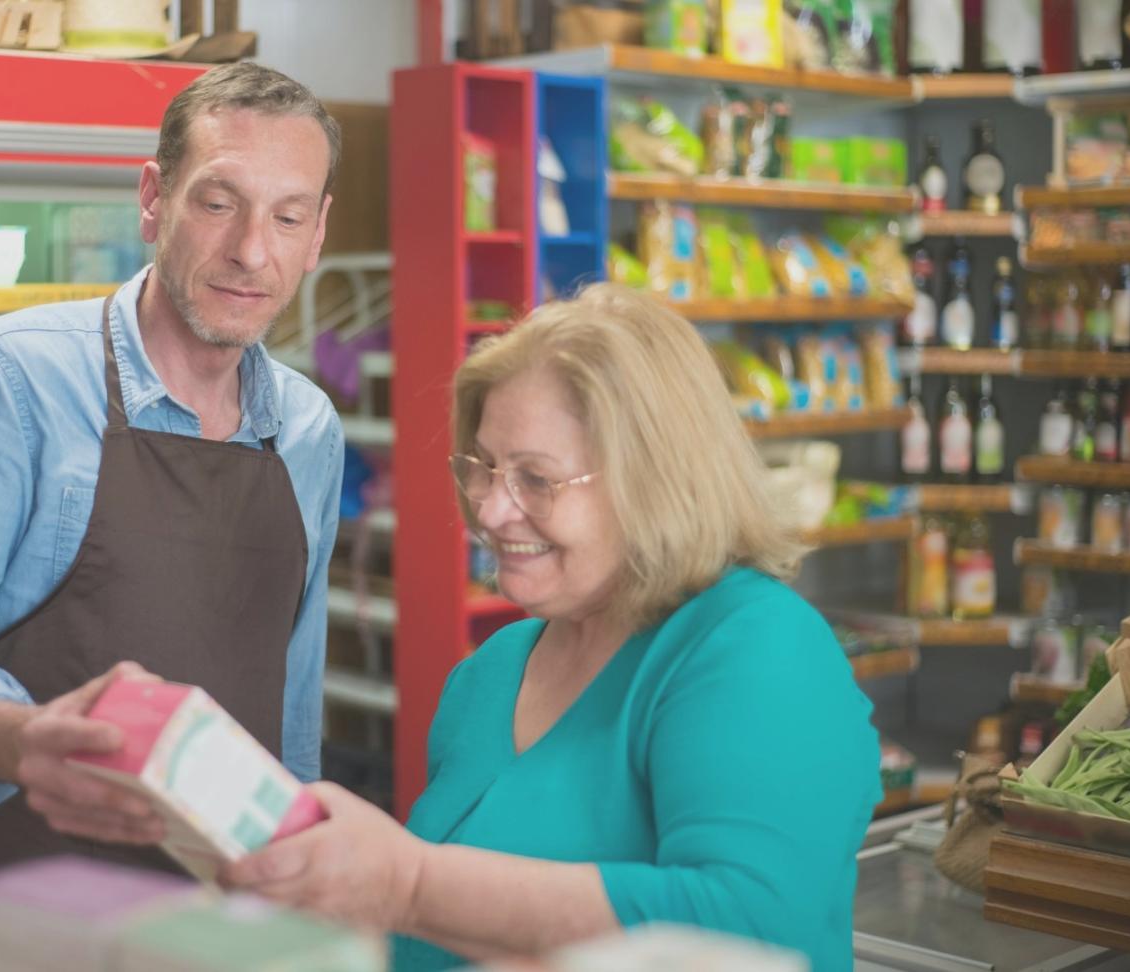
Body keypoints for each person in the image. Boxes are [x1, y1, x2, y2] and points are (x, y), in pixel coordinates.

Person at [223, 284, 882, 971]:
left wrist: (405, 884)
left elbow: (748, 928)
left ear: (654, 481)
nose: (491, 510)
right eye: (483, 467)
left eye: (536, 479)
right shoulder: (491, 673)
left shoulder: (752, 646)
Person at [0, 62, 346, 968]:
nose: (251, 250)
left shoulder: (310, 428)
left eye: (286, 216)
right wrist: (20, 738)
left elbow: (292, 696)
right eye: (218, 202)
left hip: (217, 925)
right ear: (154, 200)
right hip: (20, 906)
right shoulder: (18, 374)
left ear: (317, 233)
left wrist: (300, 877)